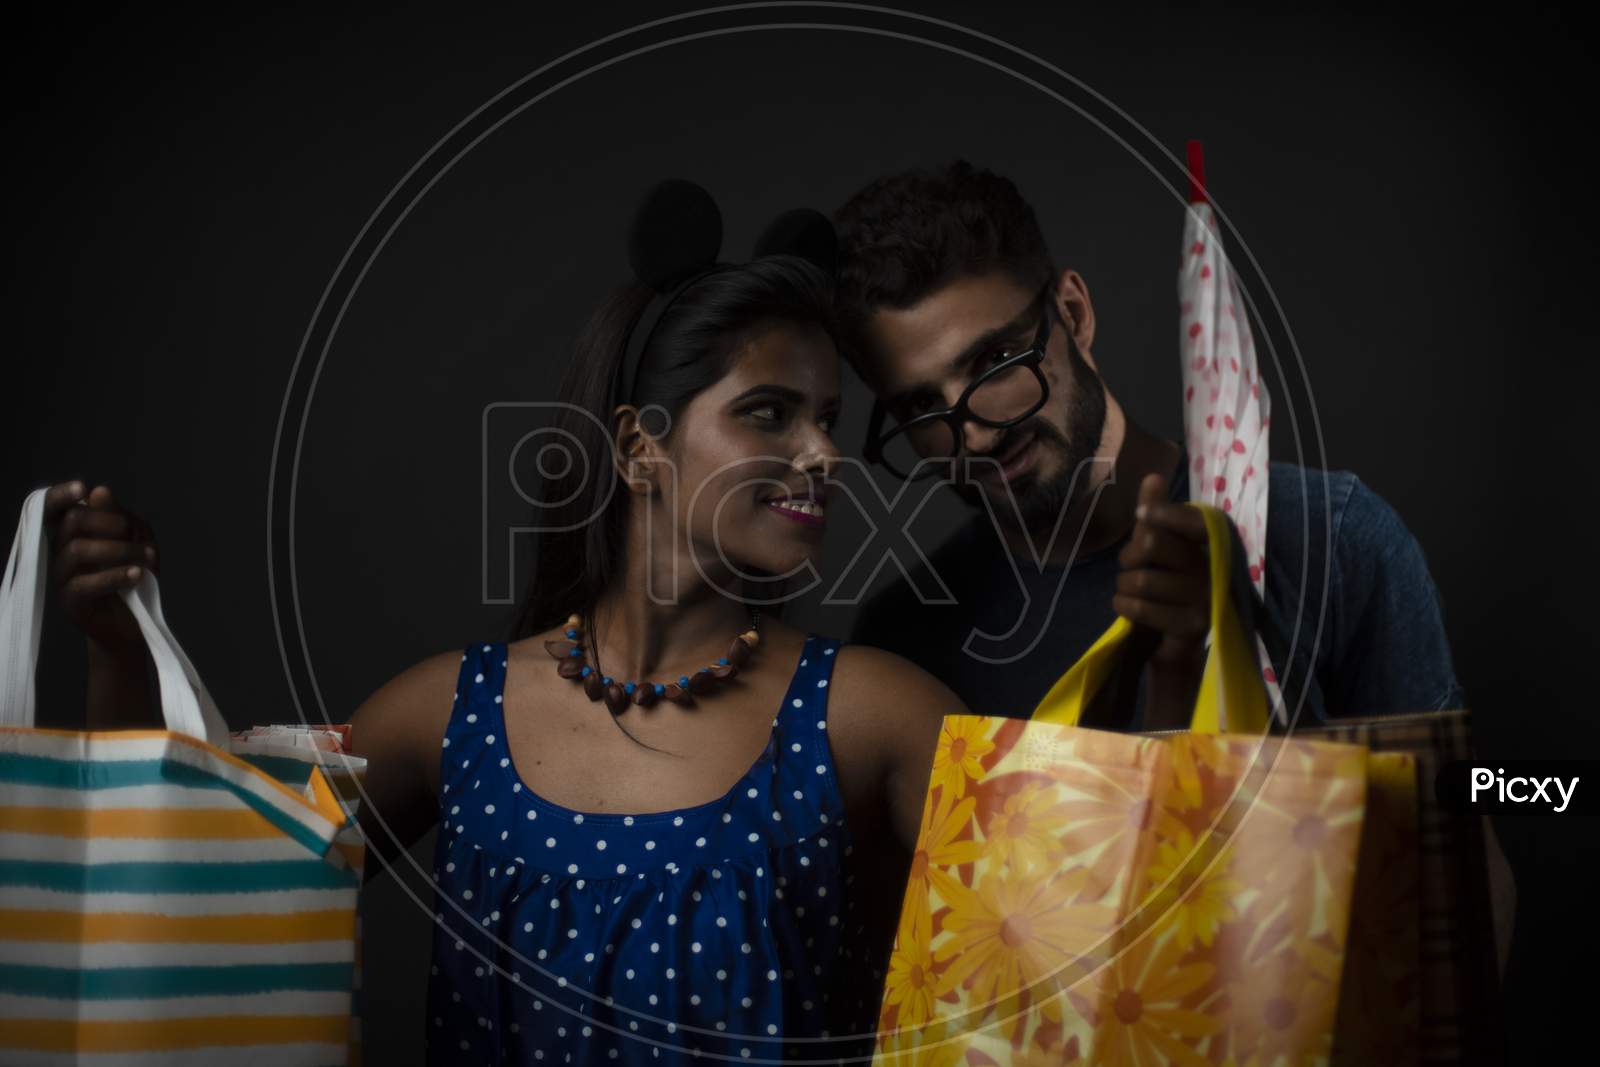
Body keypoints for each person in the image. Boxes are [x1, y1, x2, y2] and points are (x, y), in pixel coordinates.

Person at [40, 184, 1217, 1065]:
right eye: (768, 413)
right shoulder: (448, 713)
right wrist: (112, 639)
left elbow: (1103, 955)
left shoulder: (875, 713)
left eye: (828, 417)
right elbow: (181, 882)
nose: (819, 454)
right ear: (639, 445)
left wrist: (1171, 666)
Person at [834, 160, 1466, 727]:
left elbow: (1452, 836)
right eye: (919, 405)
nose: (971, 432)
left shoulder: (1332, 539)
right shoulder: (902, 642)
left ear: (1074, 314)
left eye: (996, 361)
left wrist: (1245, 659)